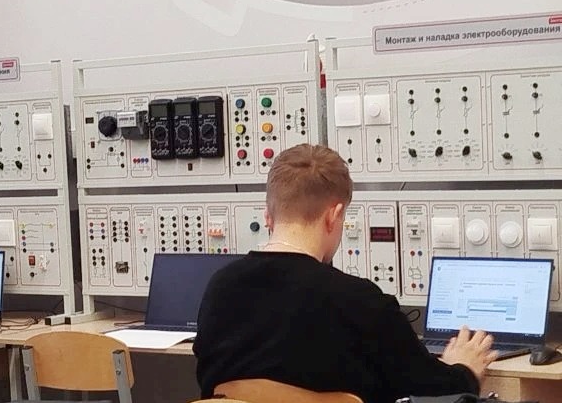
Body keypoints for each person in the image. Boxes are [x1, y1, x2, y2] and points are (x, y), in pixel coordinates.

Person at [193, 144, 496, 403]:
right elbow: (436, 391)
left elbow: (209, 381)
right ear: (334, 216)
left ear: (268, 216)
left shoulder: (220, 287)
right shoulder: (360, 301)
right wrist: (464, 370)